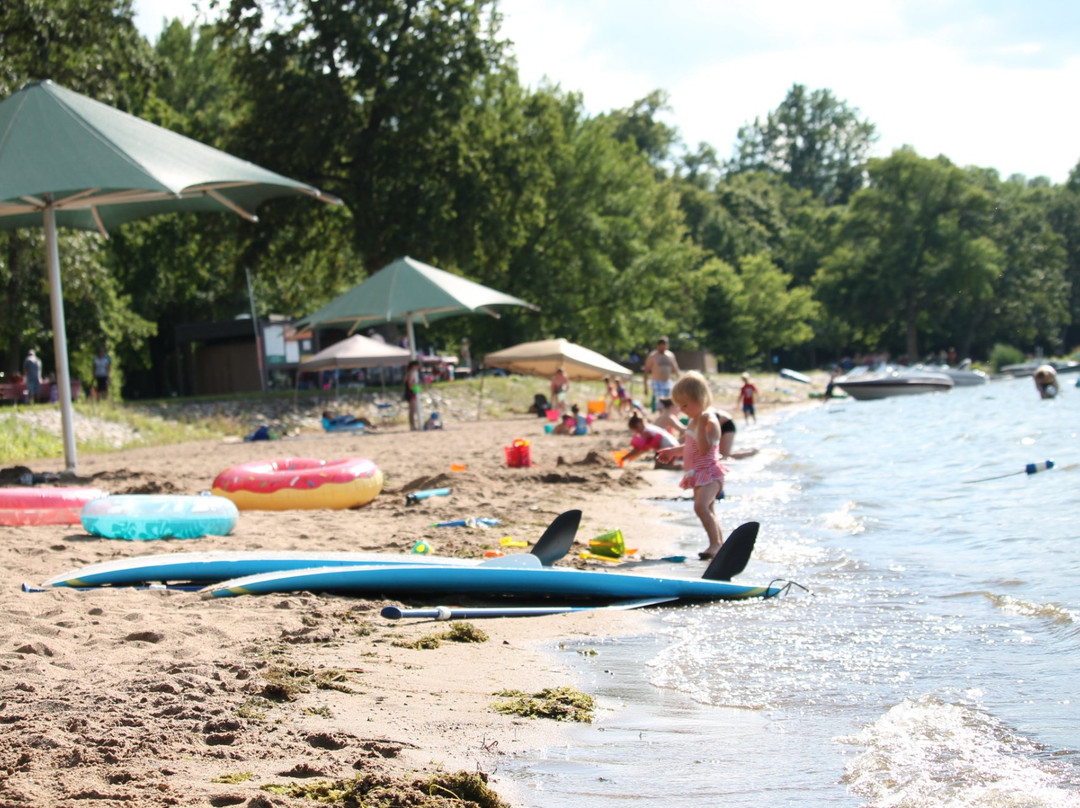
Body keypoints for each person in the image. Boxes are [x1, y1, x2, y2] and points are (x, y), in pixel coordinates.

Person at [657, 371, 728, 560]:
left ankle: (716, 545)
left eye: (686, 405)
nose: (682, 409)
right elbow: (691, 445)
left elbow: (705, 449)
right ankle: (718, 544)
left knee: (700, 507)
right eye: (680, 406)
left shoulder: (710, 420)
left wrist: (703, 424)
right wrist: (673, 451)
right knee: (708, 510)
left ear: (700, 398)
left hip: (711, 474)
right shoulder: (693, 421)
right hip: (698, 474)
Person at [643, 336, 681, 410]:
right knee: (660, 402)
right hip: (657, 382)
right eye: (661, 346)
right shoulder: (652, 356)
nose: (663, 348)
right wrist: (645, 387)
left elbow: (676, 369)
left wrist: (679, 381)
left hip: (667, 382)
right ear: (658, 346)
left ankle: (667, 417)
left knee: (670, 401)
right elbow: (646, 371)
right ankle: (662, 416)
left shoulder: (670, 355)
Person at [404, 360, 421, 430]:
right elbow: (410, 384)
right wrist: (416, 386)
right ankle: (412, 426)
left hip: (410, 391)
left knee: (412, 410)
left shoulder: (410, 372)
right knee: (413, 410)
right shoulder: (411, 372)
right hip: (411, 392)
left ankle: (413, 425)